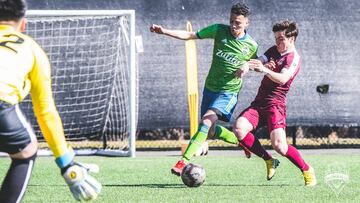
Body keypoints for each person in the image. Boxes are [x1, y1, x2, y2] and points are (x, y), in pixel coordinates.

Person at [150, 2, 279, 180]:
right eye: (232, 21)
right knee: (209, 131)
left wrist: (253, 66)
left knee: (205, 122)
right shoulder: (219, 30)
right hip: (210, 88)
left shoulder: (251, 45)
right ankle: (240, 140)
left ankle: (183, 161)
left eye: (238, 23)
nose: (234, 26)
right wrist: (164, 31)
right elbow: (191, 35)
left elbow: (256, 64)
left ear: (247, 23)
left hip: (228, 92)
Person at [0, 0, 102, 202]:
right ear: (23, 24)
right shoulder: (32, 48)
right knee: (26, 150)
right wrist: (66, 163)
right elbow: (45, 111)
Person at [233, 20, 317, 186]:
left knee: (280, 146)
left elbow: (283, 79)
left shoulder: (293, 58)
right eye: (276, 38)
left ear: (292, 39)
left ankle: (307, 169)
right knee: (239, 129)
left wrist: (265, 70)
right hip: (259, 103)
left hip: (275, 105)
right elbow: (258, 61)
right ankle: (269, 160)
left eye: (281, 38)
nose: (278, 42)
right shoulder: (273, 50)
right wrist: (247, 66)